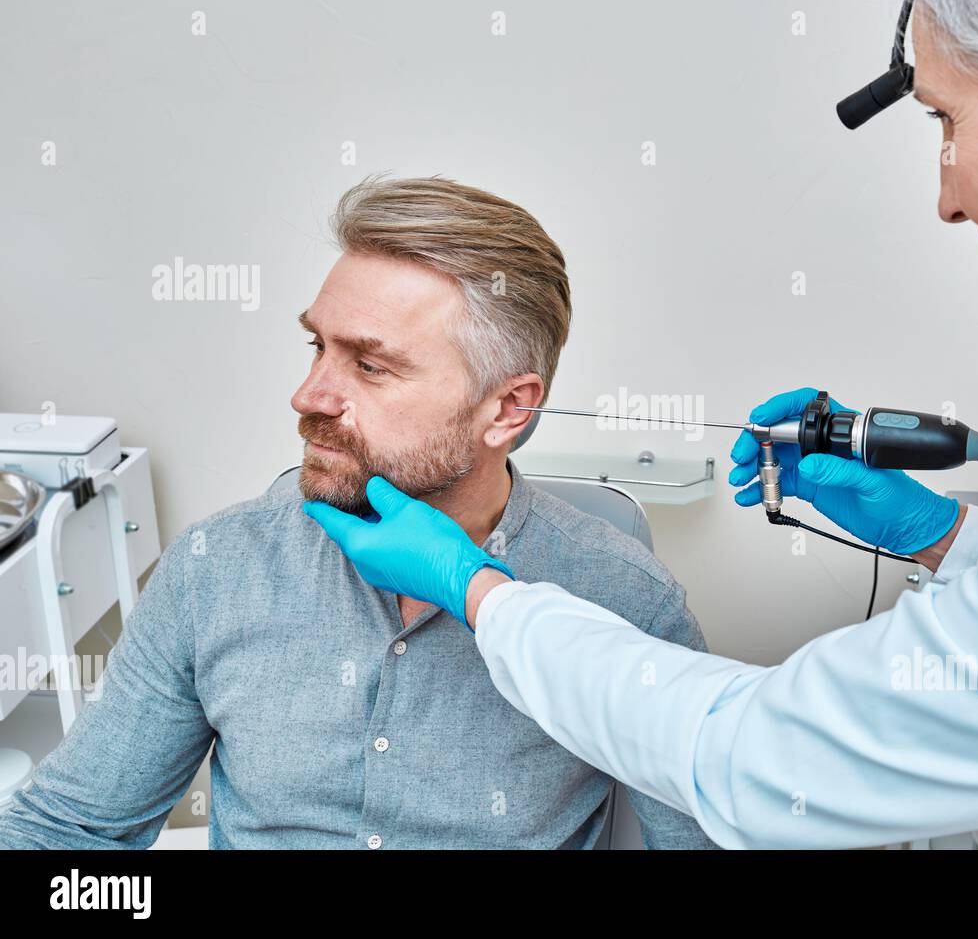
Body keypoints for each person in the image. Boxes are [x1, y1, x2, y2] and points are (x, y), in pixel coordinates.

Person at [304, 0, 978, 849]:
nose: (947, 196)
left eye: (948, 123)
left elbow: (752, 760)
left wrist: (479, 588)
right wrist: (952, 536)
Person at [0, 175, 715, 850]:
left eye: (371, 365)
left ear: (507, 409)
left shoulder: (625, 601)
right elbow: (69, 828)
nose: (309, 395)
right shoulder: (215, 570)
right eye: (318, 346)